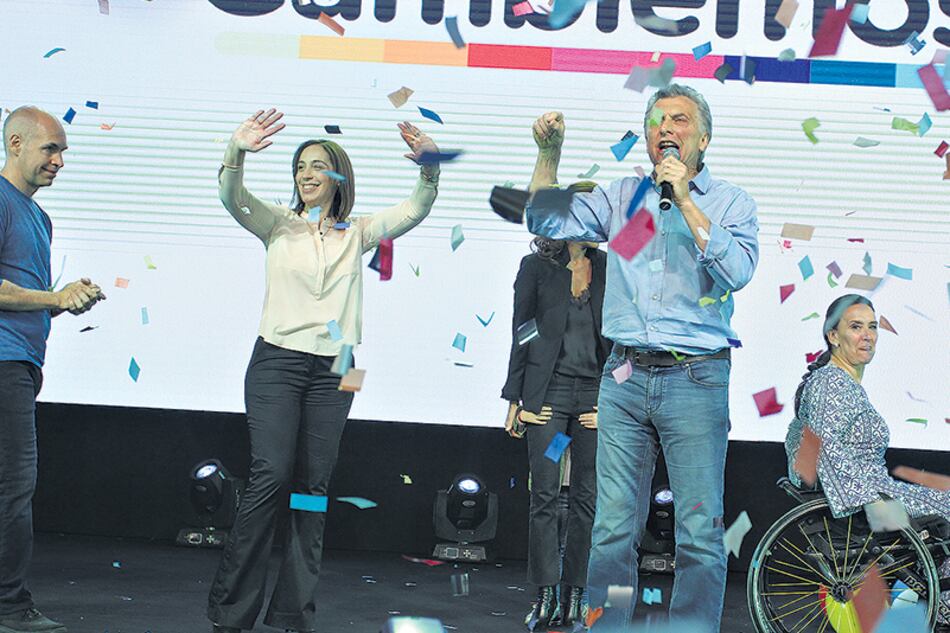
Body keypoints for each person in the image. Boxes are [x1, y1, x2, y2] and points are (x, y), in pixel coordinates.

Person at [525, 84, 759, 632]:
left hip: (695, 376)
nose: (665, 129)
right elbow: (544, 219)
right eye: (656, 121)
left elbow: (740, 273)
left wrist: (685, 201)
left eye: (679, 120)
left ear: (703, 137)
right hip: (624, 376)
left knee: (699, 532)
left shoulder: (730, 202)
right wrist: (548, 154)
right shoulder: (623, 195)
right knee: (612, 528)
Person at [207, 109, 441, 633]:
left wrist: (429, 167)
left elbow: (416, 209)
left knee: (313, 486)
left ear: (339, 177)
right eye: (300, 167)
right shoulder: (276, 223)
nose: (306, 174)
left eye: (318, 166)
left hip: (340, 367)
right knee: (270, 475)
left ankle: (293, 612)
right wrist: (236, 149)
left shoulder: (357, 233)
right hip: (276, 360)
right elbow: (231, 196)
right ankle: (231, 612)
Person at [0, 106, 106, 633]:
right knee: (14, 487)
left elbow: (28, 295)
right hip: (2, 365)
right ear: (15, 143)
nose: (59, 161)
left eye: (62, 151)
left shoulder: (38, 217)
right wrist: (53, 296)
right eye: (50, 149)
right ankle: (10, 607)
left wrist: (66, 300)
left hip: (20, 364)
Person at [785, 294, 950, 620]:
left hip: (873, 488)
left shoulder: (845, 382)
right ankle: (944, 607)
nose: (868, 335)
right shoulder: (829, 383)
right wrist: (867, 499)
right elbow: (824, 452)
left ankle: (941, 601)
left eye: (872, 327)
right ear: (833, 336)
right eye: (856, 326)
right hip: (861, 502)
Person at [501, 216, 611, 629]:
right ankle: (546, 593)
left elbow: (623, 343)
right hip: (548, 398)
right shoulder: (537, 268)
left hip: (593, 400)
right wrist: (516, 398)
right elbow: (522, 332)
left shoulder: (609, 269)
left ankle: (576, 592)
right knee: (544, 493)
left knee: (588, 497)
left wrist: (612, 402)